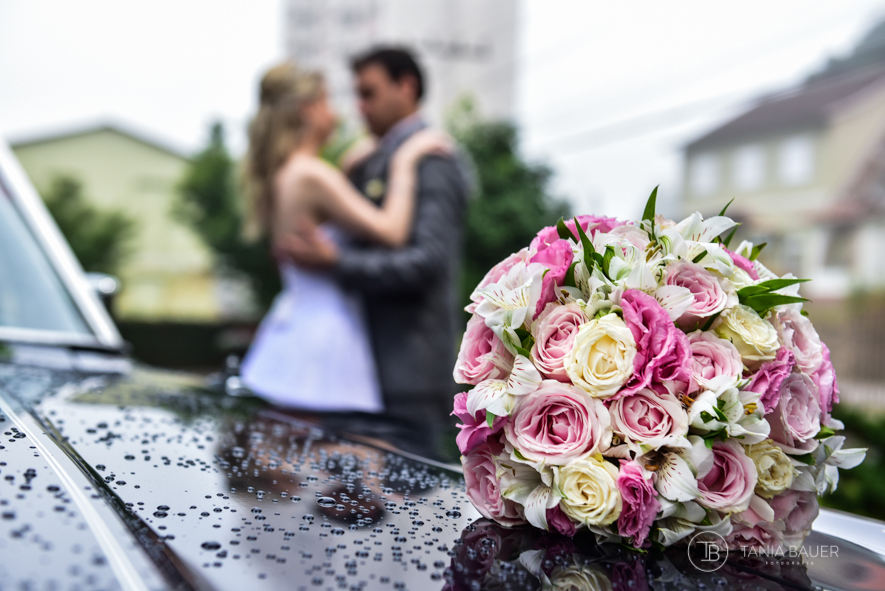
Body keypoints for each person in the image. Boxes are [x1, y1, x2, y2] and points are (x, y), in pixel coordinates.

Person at [281, 47, 473, 457]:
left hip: (406, 378)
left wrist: (336, 262)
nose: (359, 106)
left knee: (410, 495)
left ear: (406, 86)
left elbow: (426, 263)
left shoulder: (432, 159)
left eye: (368, 93)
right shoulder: (371, 158)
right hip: (356, 371)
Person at [239, 61, 451, 413]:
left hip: (295, 323)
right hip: (327, 335)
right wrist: (404, 162)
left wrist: (348, 165)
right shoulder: (312, 175)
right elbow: (392, 231)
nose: (335, 113)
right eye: (327, 102)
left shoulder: (285, 174)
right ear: (307, 109)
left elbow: (325, 210)